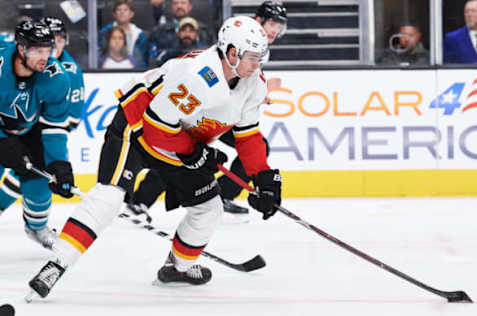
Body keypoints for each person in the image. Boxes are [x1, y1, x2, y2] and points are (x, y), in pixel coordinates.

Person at [28, 15, 282, 299]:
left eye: (261, 56)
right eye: (252, 56)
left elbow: (247, 136)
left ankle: (179, 268)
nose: (257, 63)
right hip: (137, 127)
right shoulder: (198, 75)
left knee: (209, 209)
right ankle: (57, 263)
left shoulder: (253, 83)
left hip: (178, 133)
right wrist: (195, 153)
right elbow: (157, 129)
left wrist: (263, 177)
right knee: (110, 197)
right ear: (232, 53)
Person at [128, 0, 287, 216]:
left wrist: (263, 176)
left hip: (222, 113)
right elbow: (216, 75)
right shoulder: (238, 39)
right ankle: (141, 200)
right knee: (181, 147)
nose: (276, 31)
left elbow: (246, 88)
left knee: (245, 146)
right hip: (200, 110)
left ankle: (223, 195)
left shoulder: (257, 52)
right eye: (273, 25)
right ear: (259, 21)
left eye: (280, 27)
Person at [0, 17, 85, 224]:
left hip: (28, 130)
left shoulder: (56, 77)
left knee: (39, 181)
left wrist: (58, 162)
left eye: (48, 50)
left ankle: (37, 228)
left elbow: (54, 126)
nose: (45, 57)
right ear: (21, 49)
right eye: (38, 51)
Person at [147, 0, 215, 67]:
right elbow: (152, 58)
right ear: (171, 7)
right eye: (175, 3)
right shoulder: (159, 31)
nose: (179, 6)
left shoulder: (205, 31)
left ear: (190, 6)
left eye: (183, 3)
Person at [98, 0, 147, 67]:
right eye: (119, 9)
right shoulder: (105, 31)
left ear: (131, 14)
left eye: (125, 10)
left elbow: (143, 59)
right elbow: (100, 53)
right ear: (114, 14)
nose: (122, 12)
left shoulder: (139, 35)